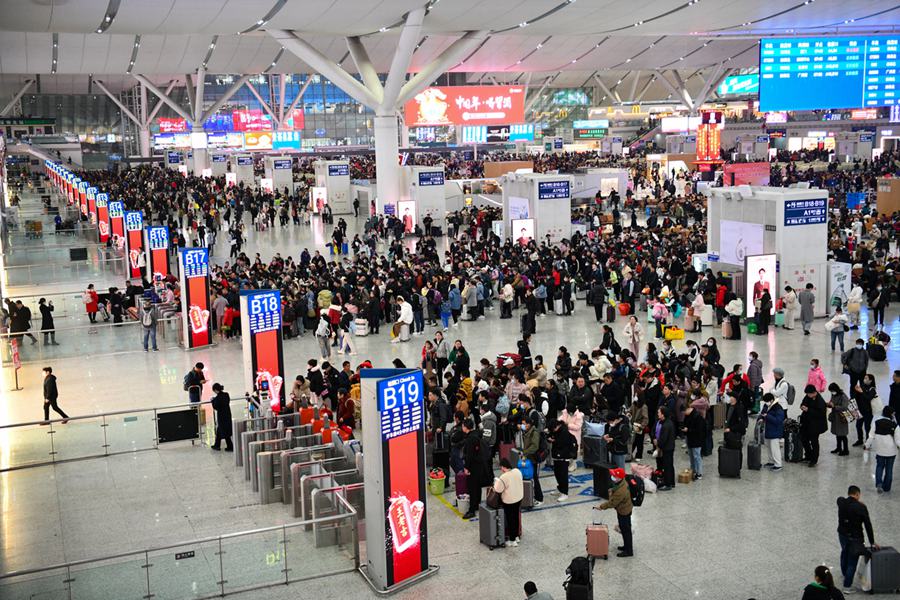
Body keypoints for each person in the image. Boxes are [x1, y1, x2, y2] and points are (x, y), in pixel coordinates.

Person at [836, 485, 878, 593]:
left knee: (844, 552)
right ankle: (847, 586)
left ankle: (844, 573)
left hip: (842, 535)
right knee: (852, 562)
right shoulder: (861, 507)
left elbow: (839, 499)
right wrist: (872, 542)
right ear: (857, 494)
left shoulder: (841, 502)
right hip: (855, 538)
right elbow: (868, 525)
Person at [594, 467, 634, 557]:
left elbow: (612, 503)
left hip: (624, 511)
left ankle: (629, 551)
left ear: (619, 477)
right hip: (626, 508)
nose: (612, 476)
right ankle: (626, 546)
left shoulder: (620, 491)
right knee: (625, 530)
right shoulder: (622, 482)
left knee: (626, 530)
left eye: (614, 476)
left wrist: (601, 507)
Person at [865, 406, 900, 493]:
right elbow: (898, 441)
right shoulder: (895, 426)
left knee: (879, 466)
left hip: (880, 450)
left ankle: (879, 484)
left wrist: (866, 445)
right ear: (891, 414)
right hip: (891, 452)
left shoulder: (876, 423)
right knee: (889, 469)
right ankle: (887, 487)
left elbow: (871, 436)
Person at [493, 458, 524, 547]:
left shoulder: (504, 477)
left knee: (510, 519)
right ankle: (517, 536)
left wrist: (496, 482)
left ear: (503, 467)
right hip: (518, 498)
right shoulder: (517, 471)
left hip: (509, 501)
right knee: (516, 517)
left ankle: (512, 540)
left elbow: (498, 490)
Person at [462, 417, 488, 519]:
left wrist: (466, 467)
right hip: (480, 464)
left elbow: (469, 455)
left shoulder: (470, 439)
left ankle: (472, 510)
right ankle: (477, 503)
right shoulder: (477, 434)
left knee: (472, 488)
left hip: (473, 466)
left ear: (466, 427)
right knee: (477, 486)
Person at [549, 419, 577, 501]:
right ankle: (560, 488)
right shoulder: (556, 431)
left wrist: (554, 440)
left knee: (563, 475)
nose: (553, 431)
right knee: (557, 473)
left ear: (556, 426)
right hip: (556, 455)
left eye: (553, 429)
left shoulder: (564, 432)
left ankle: (565, 493)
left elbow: (562, 443)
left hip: (564, 456)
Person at [800, 384, 828, 467]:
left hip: (816, 426)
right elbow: (803, 403)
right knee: (804, 439)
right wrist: (802, 407)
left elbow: (820, 414)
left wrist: (808, 410)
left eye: (809, 394)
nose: (808, 395)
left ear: (814, 392)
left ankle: (814, 459)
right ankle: (808, 455)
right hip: (806, 423)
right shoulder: (807, 397)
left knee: (814, 442)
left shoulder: (820, 401)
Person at [521, 415, 544, 505]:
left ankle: (539, 498)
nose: (523, 426)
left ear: (529, 424)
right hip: (528, 458)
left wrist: (525, 452)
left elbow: (534, 446)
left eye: (524, 424)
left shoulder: (534, 432)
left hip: (534, 458)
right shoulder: (527, 431)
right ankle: (533, 495)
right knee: (530, 477)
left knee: (535, 478)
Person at [760, 392, 785, 471]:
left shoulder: (778, 408)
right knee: (769, 447)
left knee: (775, 449)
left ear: (771, 400)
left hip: (775, 431)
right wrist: (762, 418)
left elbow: (778, 420)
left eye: (766, 401)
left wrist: (767, 416)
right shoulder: (766, 406)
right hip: (768, 430)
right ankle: (771, 461)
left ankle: (778, 464)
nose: (765, 403)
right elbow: (763, 413)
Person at [653, 407, 676, 491]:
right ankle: (671, 482)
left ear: (663, 414)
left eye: (659, 412)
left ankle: (668, 484)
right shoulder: (668, 422)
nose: (658, 414)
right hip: (670, 447)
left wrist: (657, 443)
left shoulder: (666, 425)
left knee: (667, 466)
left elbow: (663, 439)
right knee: (670, 465)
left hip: (667, 448)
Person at [681, 404, 706, 480]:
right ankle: (693, 470)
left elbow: (700, 430)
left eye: (684, 412)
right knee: (691, 456)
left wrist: (688, 430)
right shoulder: (688, 416)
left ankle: (699, 473)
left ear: (689, 409)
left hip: (696, 440)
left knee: (697, 456)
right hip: (689, 438)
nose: (684, 414)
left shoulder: (697, 417)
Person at [827, 382, 852, 457]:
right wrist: (829, 404)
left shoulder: (843, 396)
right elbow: (832, 401)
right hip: (836, 417)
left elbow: (845, 407)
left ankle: (845, 450)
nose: (832, 392)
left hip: (842, 418)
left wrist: (835, 406)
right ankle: (838, 448)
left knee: (843, 435)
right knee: (837, 434)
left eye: (832, 391)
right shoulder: (834, 394)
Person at [210, 382, 233, 451]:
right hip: (227, 415)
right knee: (220, 430)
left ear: (216, 390)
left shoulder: (217, 398)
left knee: (222, 430)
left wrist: (212, 401)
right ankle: (217, 445)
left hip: (221, 417)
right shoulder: (226, 395)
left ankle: (229, 446)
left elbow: (215, 407)